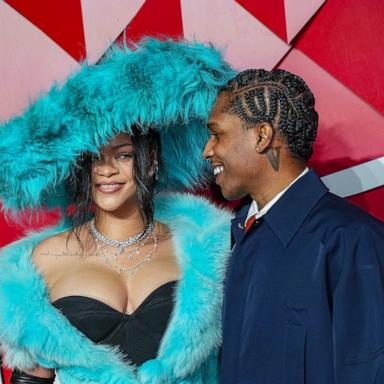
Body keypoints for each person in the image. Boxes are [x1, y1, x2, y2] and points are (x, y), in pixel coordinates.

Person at [0, 39, 235, 384]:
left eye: (123, 154)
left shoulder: (206, 248)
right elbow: (32, 377)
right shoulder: (41, 260)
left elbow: (237, 360)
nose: (106, 169)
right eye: (94, 158)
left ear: (151, 161)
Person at [203, 68, 384, 383]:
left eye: (217, 134)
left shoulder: (353, 241)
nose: (208, 150)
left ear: (262, 136)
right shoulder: (236, 235)